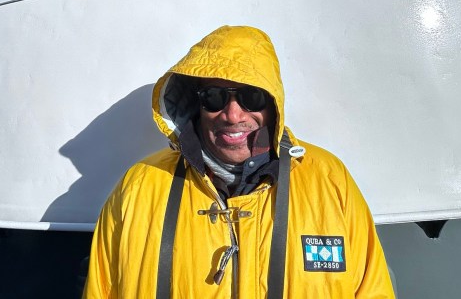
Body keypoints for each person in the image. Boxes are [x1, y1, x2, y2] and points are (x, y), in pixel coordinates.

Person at [83, 25, 394, 298]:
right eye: (214, 97)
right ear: (196, 104)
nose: (232, 115)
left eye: (251, 97)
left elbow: (373, 290)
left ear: (273, 103)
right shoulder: (139, 186)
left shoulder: (329, 179)